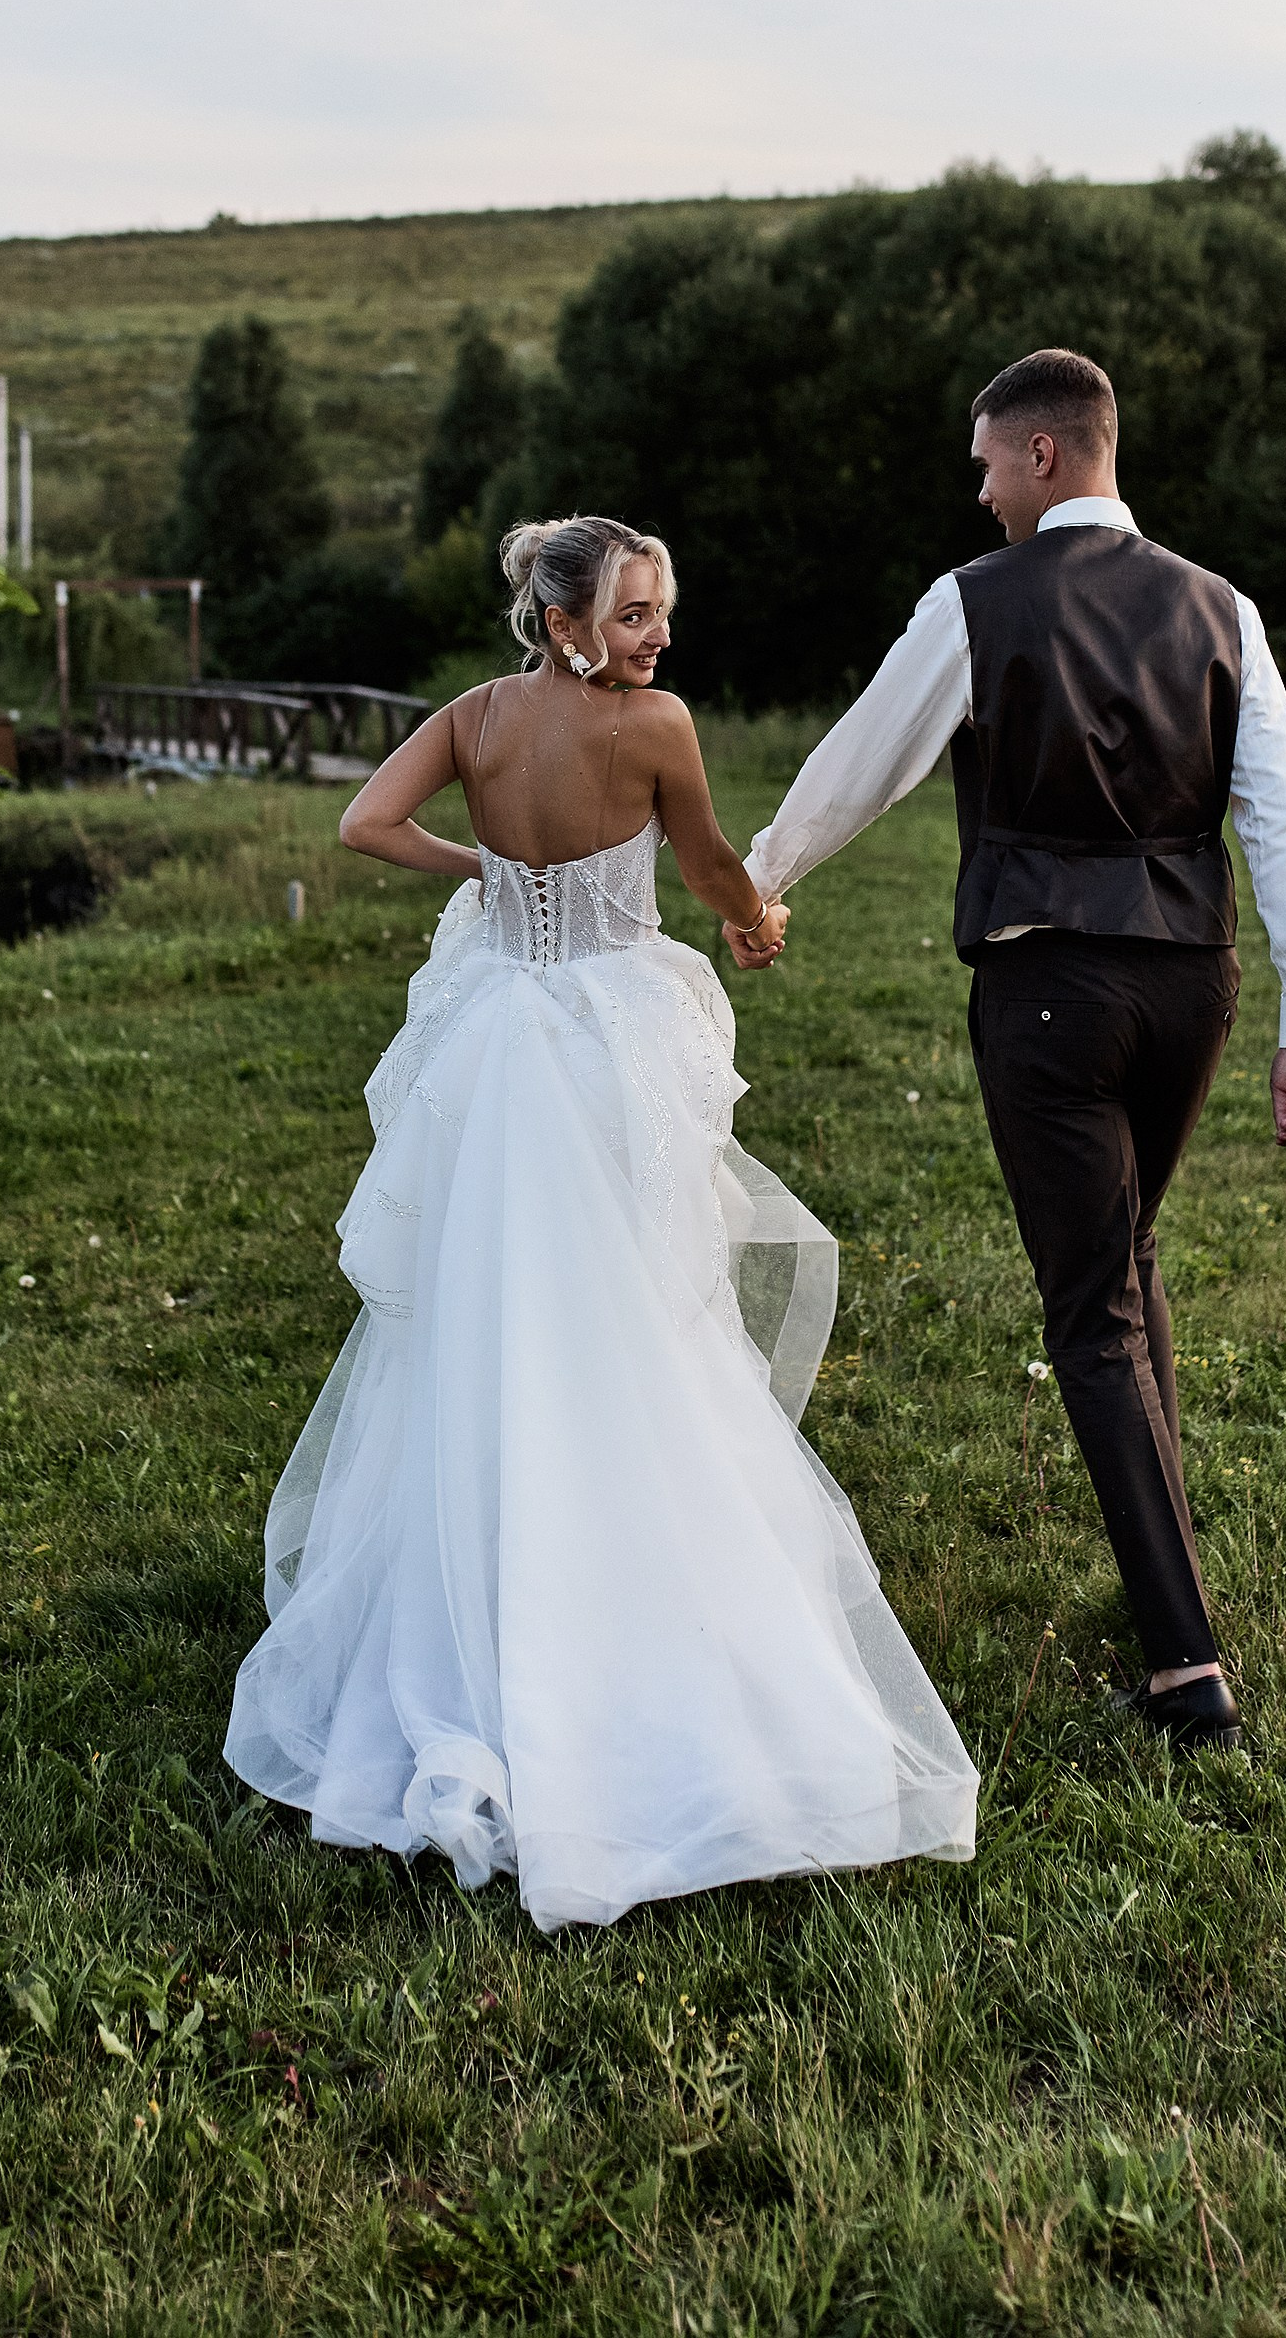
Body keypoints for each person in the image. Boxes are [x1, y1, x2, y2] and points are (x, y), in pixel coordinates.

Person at [224, 514, 979, 1929]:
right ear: (570, 621)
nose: (660, 636)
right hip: (601, 1048)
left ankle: (482, 1597)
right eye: (636, 616)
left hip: (503, 1040)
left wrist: (483, 875)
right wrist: (757, 920)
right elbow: (702, 868)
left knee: (487, 1312)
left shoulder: (472, 718)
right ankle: (632, 1612)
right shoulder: (657, 731)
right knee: (632, 1312)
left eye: (664, 613)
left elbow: (361, 824)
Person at [731, 350, 1286, 1754]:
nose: (980, 485)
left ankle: (1187, 1670)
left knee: (1090, 1312)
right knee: (1124, 1268)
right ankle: (1174, 1581)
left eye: (990, 459)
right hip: (1194, 985)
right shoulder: (1223, 607)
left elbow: (861, 759)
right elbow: (1283, 821)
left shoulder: (975, 601)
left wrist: (763, 877)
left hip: (1050, 988)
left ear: (1050, 456)